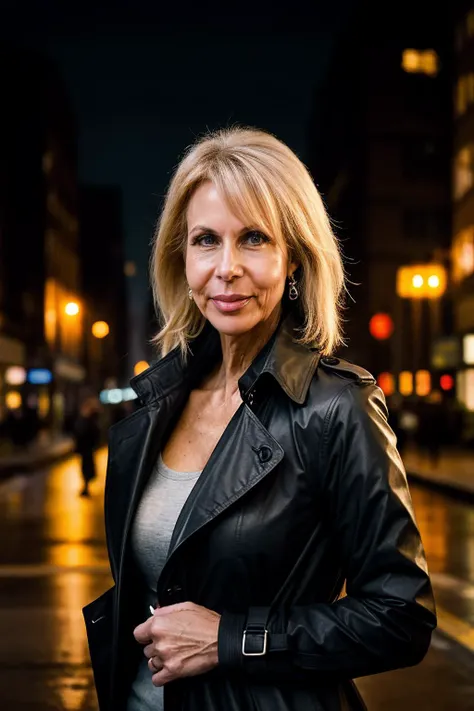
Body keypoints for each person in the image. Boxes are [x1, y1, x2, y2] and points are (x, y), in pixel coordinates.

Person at [83, 127, 436, 711]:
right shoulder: (156, 403)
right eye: (205, 240)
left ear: (292, 257)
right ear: (182, 256)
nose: (226, 268)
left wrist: (229, 640)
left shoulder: (334, 407)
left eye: (252, 239)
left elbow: (401, 616)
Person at [74, 396, 100, 497]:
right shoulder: (87, 420)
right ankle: (86, 485)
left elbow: (87, 433)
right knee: (86, 467)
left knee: (86, 467)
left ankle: (86, 486)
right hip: (86, 448)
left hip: (87, 448)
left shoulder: (89, 420)